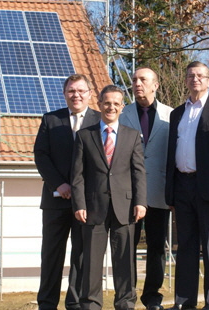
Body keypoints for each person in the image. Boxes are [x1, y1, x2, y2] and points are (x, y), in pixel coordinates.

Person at [165, 61, 209, 310]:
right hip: (182, 186)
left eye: (200, 75)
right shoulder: (176, 113)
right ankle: (184, 302)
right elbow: (171, 152)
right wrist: (170, 191)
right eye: (190, 75)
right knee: (185, 246)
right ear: (185, 80)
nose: (194, 79)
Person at [71, 85, 147, 310]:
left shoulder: (133, 136)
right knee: (92, 263)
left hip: (125, 208)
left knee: (124, 261)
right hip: (93, 208)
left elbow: (139, 171)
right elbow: (77, 175)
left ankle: (125, 303)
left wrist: (141, 201)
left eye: (116, 103)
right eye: (107, 103)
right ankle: (91, 304)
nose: (111, 107)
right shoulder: (85, 136)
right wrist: (79, 204)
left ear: (122, 107)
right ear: (99, 105)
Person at [34, 74, 101, 310]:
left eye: (81, 91)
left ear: (90, 94)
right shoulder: (51, 120)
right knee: (51, 255)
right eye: (72, 91)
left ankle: (75, 303)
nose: (76, 95)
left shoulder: (99, 120)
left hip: (86, 204)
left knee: (81, 257)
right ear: (65, 94)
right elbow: (41, 155)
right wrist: (58, 185)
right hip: (55, 202)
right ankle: (46, 303)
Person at [119, 67, 173, 310]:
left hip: (159, 192)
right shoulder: (122, 114)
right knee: (126, 247)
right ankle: (126, 297)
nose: (137, 83)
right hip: (128, 193)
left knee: (156, 248)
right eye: (134, 80)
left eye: (143, 79)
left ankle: (152, 298)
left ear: (155, 85)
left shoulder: (171, 115)